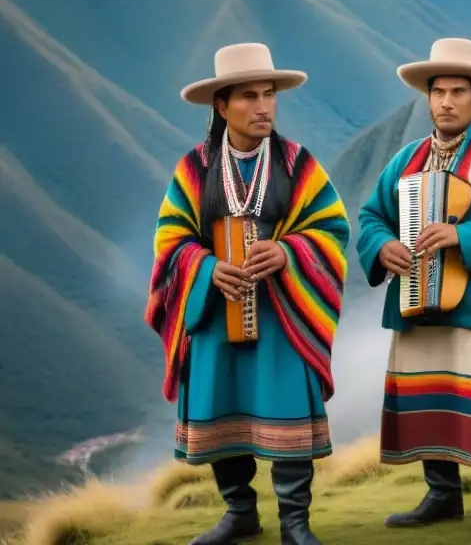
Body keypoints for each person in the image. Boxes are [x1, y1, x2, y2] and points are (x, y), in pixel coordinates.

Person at [145, 43, 350, 545]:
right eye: (249, 97)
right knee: (221, 404)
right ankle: (240, 512)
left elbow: (331, 229)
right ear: (221, 105)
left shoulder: (298, 164)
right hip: (216, 310)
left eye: (269, 95)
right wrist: (206, 267)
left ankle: (295, 523)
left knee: (285, 406)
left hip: (282, 311)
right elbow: (172, 241)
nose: (263, 107)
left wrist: (288, 253)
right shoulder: (194, 169)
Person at [356, 38, 471, 545]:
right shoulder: (405, 160)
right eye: (438, 91)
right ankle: (441, 494)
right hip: (418, 303)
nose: (446, 101)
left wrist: (461, 236)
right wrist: (382, 246)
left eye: (459, 91)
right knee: (431, 403)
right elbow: (371, 216)